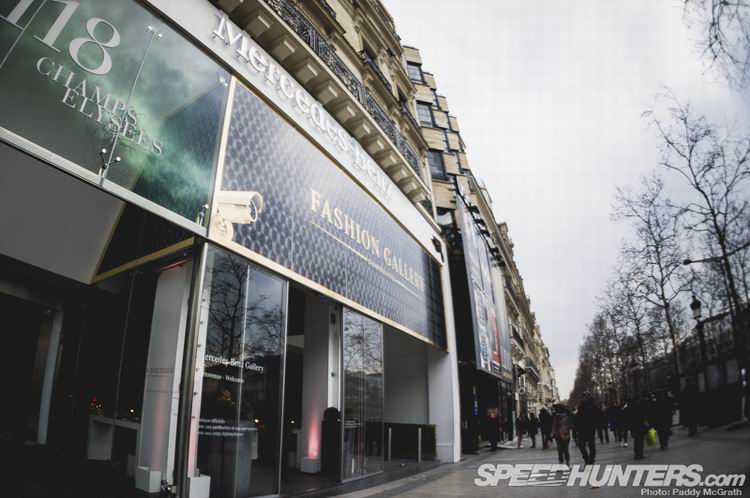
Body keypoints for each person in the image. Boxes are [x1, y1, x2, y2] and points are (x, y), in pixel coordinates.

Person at [575, 392, 598, 464]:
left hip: (590, 428)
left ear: (588, 397)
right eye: (582, 397)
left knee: (591, 446)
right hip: (582, 429)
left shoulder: (593, 406)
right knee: (581, 446)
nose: (583, 398)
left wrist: (594, 426)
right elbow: (578, 419)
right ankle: (587, 459)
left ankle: (591, 459)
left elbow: (597, 417)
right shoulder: (580, 407)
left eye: (584, 397)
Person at [625, 395, 649, 460]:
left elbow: (627, 417)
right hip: (640, 424)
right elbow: (643, 414)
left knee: (637, 440)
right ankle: (640, 453)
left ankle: (637, 454)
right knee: (641, 440)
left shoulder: (629, 407)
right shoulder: (639, 405)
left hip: (634, 426)